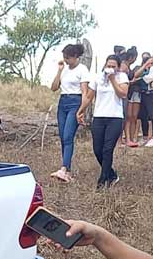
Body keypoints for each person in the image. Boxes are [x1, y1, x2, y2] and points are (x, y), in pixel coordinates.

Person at [77, 54, 128, 189]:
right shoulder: (97, 78)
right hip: (99, 117)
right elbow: (89, 96)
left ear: (118, 67)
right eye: (108, 66)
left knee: (107, 149)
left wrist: (112, 80)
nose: (110, 68)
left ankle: (103, 179)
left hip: (115, 117)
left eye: (113, 66)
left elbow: (122, 94)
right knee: (97, 149)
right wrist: (81, 110)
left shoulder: (122, 77)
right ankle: (111, 174)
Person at [50, 43, 90, 182]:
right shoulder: (65, 69)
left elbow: (85, 92)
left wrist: (81, 110)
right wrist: (60, 70)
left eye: (68, 58)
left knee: (68, 136)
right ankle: (67, 169)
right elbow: (54, 88)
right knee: (62, 136)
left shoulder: (82, 69)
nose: (65, 60)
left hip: (75, 101)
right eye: (64, 57)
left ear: (75, 56)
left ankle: (64, 168)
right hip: (63, 102)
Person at [123, 49, 142, 147]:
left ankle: (130, 138)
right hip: (126, 93)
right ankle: (126, 139)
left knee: (133, 117)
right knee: (127, 117)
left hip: (130, 92)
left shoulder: (128, 67)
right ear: (132, 57)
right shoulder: (124, 66)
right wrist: (132, 81)